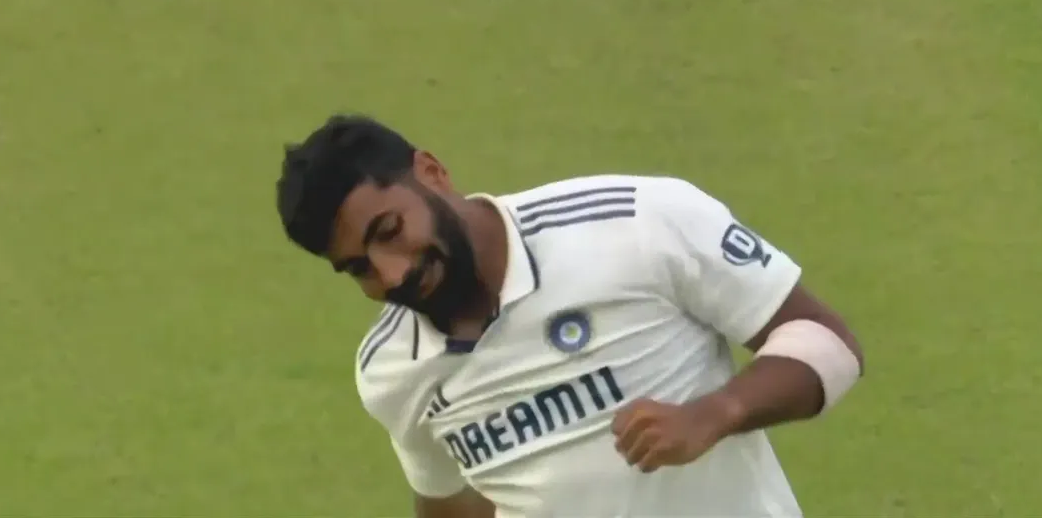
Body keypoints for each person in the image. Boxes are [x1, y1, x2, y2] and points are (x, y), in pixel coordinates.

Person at [275, 114, 865, 518]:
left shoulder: (636, 222)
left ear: (431, 173)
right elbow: (450, 502)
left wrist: (714, 414)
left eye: (390, 231)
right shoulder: (392, 372)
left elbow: (826, 344)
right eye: (359, 268)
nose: (393, 273)